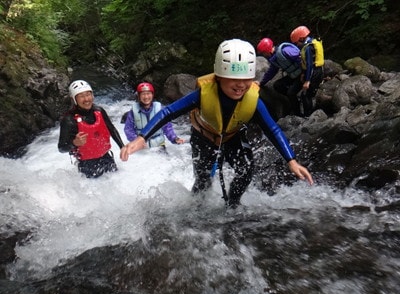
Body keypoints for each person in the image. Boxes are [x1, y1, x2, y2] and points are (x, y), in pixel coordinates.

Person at [120, 39, 313, 208]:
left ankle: (233, 203)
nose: (240, 85)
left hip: (232, 137)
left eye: (246, 79)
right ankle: (195, 209)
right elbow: (168, 112)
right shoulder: (204, 94)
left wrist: (291, 160)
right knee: (203, 181)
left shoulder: (253, 100)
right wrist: (141, 137)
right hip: (203, 138)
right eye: (233, 79)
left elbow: (272, 129)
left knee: (245, 169)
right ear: (219, 77)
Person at [58, 80, 125, 178]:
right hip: (86, 164)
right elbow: (61, 148)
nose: (86, 99)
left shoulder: (99, 111)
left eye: (88, 94)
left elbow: (111, 129)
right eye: (81, 96)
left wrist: (122, 147)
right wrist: (74, 143)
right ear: (74, 99)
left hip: (107, 158)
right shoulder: (69, 119)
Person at [124, 82, 184, 148]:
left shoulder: (160, 109)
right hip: (141, 147)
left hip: (158, 145)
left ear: (152, 95)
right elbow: (128, 129)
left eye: (148, 94)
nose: (146, 97)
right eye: (143, 94)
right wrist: (136, 141)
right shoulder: (133, 111)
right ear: (139, 96)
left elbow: (167, 127)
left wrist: (174, 138)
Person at [256, 37, 303, 116]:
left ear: (267, 50)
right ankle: (294, 99)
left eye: (263, 53)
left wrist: (305, 74)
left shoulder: (285, 51)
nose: (263, 55)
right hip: (294, 75)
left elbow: (301, 59)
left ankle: (298, 114)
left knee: (291, 93)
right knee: (278, 85)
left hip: (302, 74)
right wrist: (261, 83)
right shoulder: (275, 58)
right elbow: (271, 72)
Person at [290, 25, 325, 117]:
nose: (297, 45)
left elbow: (310, 64)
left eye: (296, 42)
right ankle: (309, 115)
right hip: (317, 71)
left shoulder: (308, 48)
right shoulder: (314, 42)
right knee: (307, 95)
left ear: (301, 38)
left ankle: (308, 117)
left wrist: (307, 81)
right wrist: (303, 74)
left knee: (305, 95)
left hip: (315, 72)